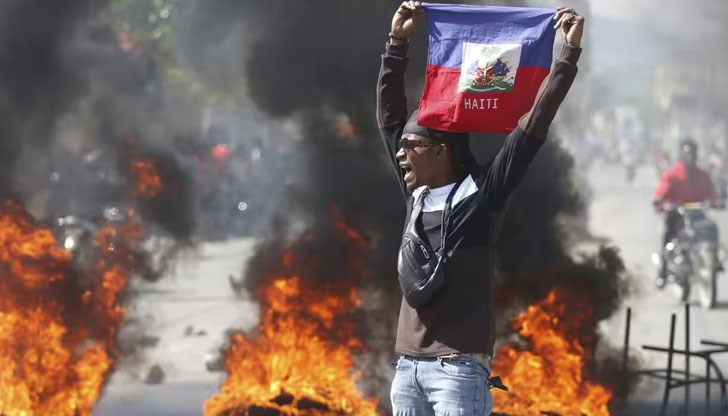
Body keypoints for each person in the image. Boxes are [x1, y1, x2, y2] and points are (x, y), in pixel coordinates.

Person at [377, 2, 583, 414]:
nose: (400, 154)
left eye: (410, 146)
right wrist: (397, 43)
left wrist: (567, 55)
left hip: (457, 373)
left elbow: (531, 128)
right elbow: (389, 119)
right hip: (407, 372)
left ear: (440, 151)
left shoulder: (482, 194)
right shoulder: (416, 197)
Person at [653, 138, 723, 287]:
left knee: (712, 228)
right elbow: (661, 193)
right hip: (676, 215)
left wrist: (716, 202)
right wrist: (660, 202)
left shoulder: (703, 176)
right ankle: (663, 271)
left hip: (697, 215)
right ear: (682, 155)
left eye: (693, 153)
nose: (690, 157)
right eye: (687, 153)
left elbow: (711, 194)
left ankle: (714, 259)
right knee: (667, 236)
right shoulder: (673, 174)